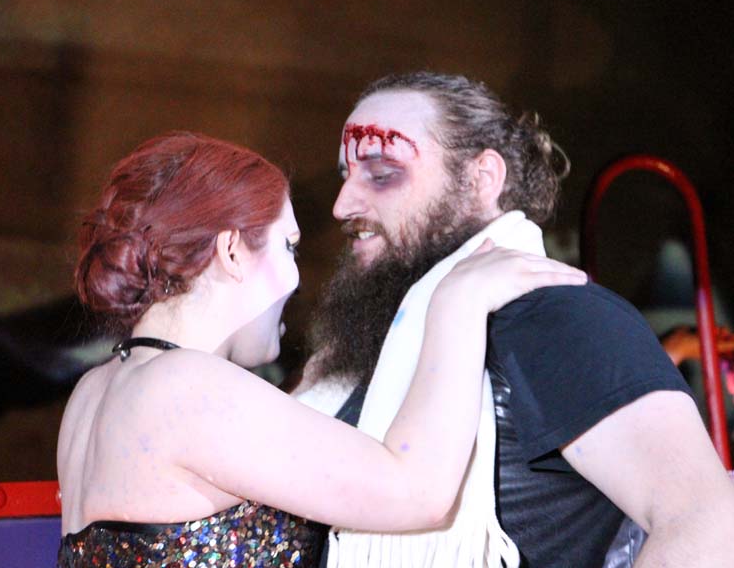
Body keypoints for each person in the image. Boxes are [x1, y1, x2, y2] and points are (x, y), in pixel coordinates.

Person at [55, 131, 586, 567]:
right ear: (232, 250)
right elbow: (415, 493)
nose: (297, 278)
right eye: (288, 247)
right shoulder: (185, 386)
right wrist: (458, 301)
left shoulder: (96, 390)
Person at [299, 71, 734, 567]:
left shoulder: (555, 318)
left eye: (381, 174)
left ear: (482, 178)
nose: (342, 205)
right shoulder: (373, 350)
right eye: (345, 176)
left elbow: (709, 522)